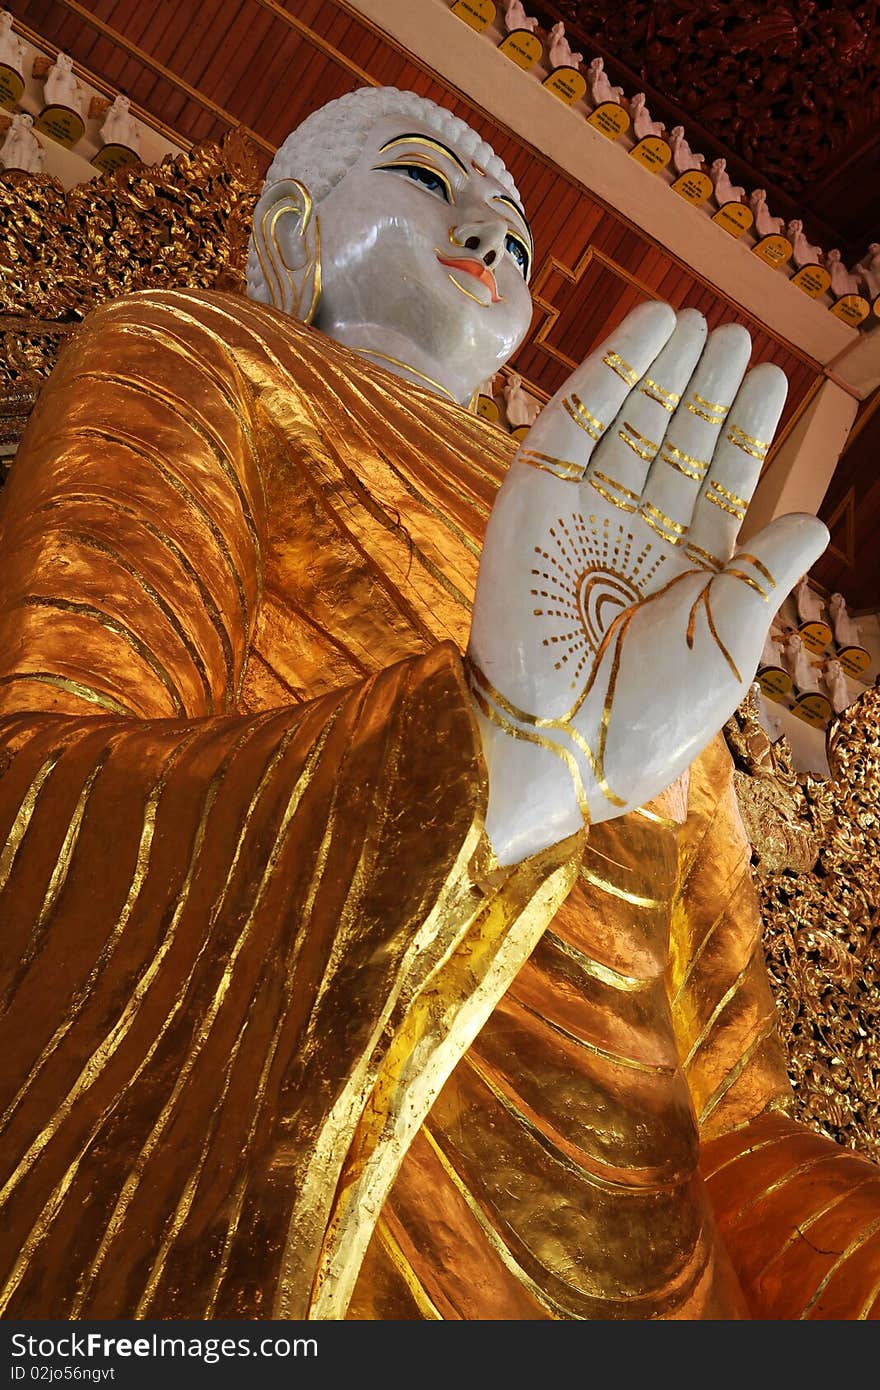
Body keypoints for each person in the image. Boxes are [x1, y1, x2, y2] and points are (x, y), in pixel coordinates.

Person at [1, 85, 878, 1322]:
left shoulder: (629, 560)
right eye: (427, 183)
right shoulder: (199, 352)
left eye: (518, 241)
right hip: (311, 1175)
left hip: (671, 1282)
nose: (486, 240)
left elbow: (732, 1116)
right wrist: (490, 751)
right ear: (294, 234)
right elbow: (43, 799)